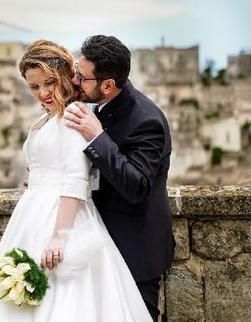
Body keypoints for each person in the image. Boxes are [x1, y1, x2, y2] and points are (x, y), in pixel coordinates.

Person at [0, 40, 151, 322]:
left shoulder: (74, 114)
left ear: (64, 75)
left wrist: (59, 237)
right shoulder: (44, 120)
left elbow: (76, 177)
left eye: (49, 83)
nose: (43, 93)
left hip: (63, 220)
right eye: (34, 86)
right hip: (32, 215)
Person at [63, 35, 175, 321]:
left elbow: (136, 185)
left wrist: (97, 136)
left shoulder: (146, 120)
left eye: (82, 77)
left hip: (135, 250)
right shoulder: (101, 105)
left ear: (108, 84)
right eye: (77, 70)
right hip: (100, 245)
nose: (76, 81)